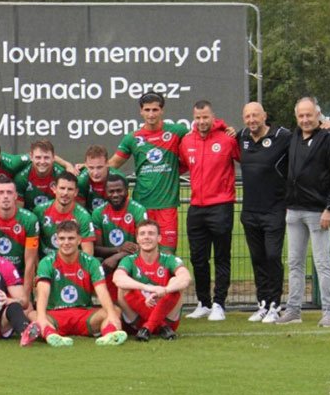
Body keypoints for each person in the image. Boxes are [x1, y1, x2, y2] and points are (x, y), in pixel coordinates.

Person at [179, 100, 240, 322]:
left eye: (205, 117)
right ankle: (203, 302)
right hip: (196, 207)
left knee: (222, 257)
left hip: (221, 206)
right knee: (198, 258)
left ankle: (219, 304)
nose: (202, 121)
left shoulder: (227, 139)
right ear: (193, 118)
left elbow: (247, 159)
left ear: (213, 117)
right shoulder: (187, 141)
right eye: (198, 117)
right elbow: (181, 166)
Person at [25, 220, 127, 348]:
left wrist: (112, 315)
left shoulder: (91, 262)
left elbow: (102, 291)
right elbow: (43, 293)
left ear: (79, 240)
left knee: (115, 310)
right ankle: (51, 335)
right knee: (33, 314)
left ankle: (109, 335)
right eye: (62, 238)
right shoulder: (46, 262)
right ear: (56, 240)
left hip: (83, 314)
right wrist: (41, 317)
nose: (66, 242)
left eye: (71, 238)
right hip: (55, 315)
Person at [276, 97, 330, 326]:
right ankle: (293, 310)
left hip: (318, 212)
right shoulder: (293, 138)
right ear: (296, 117)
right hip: (294, 211)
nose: (305, 119)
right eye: (301, 115)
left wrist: (329, 208)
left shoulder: (328, 139)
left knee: (322, 263)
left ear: (318, 115)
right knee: (294, 263)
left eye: (309, 115)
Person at [109, 92, 189, 251]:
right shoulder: (132, 138)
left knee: (167, 253)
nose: (151, 114)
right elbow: (112, 164)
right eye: (147, 110)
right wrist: (88, 167)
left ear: (162, 110)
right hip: (142, 205)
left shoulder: (177, 131)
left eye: (155, 110)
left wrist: (223, 127)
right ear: (141, 111)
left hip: (167, 206)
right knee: (143, 252)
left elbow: (200, 136)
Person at [237, 102, 293, 322]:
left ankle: (275, 305)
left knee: (272, 256)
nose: (252, 120)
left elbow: (305, 137)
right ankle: (262, 303)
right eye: (248, 116)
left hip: (274, 210)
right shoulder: (241, 137)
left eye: (255, 115)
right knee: (258, 258)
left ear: (264, 116)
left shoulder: (282, 136)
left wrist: (324, 125)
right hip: (250, 212)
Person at [113, 220, 192, 342]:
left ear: (159, 238)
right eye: (142, 234)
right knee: (123, 285)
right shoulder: (129, 260)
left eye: (151, 233)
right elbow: (117, 278)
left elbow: (186, 277)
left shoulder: (169, 259)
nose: (146, 237)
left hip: (167, 318)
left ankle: (148, 327)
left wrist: (165, 290)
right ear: (137, 239)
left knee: (176, 282)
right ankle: (160, 326)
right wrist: (149, 288)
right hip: (138, 321)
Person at [91, 175, 148, 303]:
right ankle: (109, 303)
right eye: (111, 191)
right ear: (105, 193)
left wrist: (118, 256)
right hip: (108, 262)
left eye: (119, 190)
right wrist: (118, 250)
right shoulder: (98, 213)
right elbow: (96, 249)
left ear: (127, 190)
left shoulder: (138, 210)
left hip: (133, 260)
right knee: (98, 263)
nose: (115, 195)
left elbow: (144, 244)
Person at [34, 172, 95, 258]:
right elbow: (32, 245)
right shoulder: (39, 211)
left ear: (76, 192)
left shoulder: (83, 216)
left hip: (71, 261)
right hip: (45, 261)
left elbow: (88, 253)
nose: (65, 193)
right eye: (62, 188)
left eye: (70, 189)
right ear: (54, 189)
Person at [14, 140, 65, 210]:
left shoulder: (62, 176)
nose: (42, 162)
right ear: (31, 157)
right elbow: (19, 210)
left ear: (53, 158)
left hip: (53, 214)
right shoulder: (21, 178)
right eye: (38, 157)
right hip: (29, 215)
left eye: (46, 158)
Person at [76, 145, 129, 212]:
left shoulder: (119, 180)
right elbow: (80, 211)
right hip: (89, 216)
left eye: (99, 167)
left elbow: (124, 208)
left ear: (107, 164)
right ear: (86, 165)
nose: (95, 173)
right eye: (91, 168)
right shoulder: (81, 182)